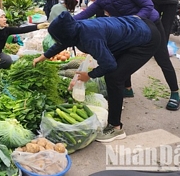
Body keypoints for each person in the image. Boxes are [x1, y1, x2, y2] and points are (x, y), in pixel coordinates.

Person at [33, 11, 161, 142]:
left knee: (114, 77)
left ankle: (116, 128)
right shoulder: (76, 28)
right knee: (116, 71)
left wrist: (89, 75)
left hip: (147, 39)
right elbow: (63, 42)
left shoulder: (89, 38)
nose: (57, 40)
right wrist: (43, 57)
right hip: (136, 25)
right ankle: (119, 98)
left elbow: (109, 65)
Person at [75, 0, 180, 110]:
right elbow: (86, 13)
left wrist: (135, 19)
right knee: (122, 55)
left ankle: (175, 93)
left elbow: (148, 5)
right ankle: (128, 88)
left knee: (161, 58)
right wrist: (66, 22)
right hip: (129, 30)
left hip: (151, 25)